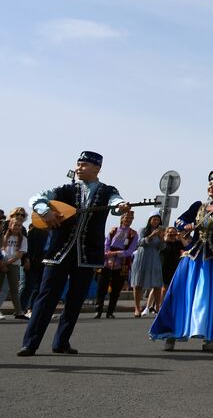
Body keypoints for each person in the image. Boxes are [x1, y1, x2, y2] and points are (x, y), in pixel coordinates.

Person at [18, 151, 132, 357]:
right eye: (78, 164)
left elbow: (116, 203)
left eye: (84, 165)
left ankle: (61, 342)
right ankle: (30, 343)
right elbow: (36, 197)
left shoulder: (108, 191)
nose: (79, 168)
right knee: (46, 298)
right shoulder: (65, 189)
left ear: (97, 168)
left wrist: (121, 207)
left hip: (87, 254)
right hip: (58, 253)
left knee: (75, 300)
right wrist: (45, 211)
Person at [149, 169, 213, 351]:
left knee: (208, 297)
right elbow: (179, 221)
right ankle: (171, 332)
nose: (212, 186)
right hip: (192, 254)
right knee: (180, 293)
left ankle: (209, 335)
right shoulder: (199, 206)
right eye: (210, 183)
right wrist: (185, 226)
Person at [93, 211, 139, 319]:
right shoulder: (113, 230)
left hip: (122, 263)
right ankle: (98, 310)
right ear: (122, 218)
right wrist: (108, 255)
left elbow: (131, 250)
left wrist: (117, 254)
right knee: (101, 287)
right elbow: (106, 244)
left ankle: (110, 311)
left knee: (116, 288)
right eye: (127, 218)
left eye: (131, 218)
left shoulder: (133, 234)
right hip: (107, 261)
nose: (128, 220)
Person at [129, 214, 166, 317]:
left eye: (158, 220)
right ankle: (137, 308)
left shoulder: (160, 233)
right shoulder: (143, 230)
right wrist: (151, 236)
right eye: (154, 219)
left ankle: (157, 308)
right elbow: (140, 243)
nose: (156, 221)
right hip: (142, 257)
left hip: (154, 257)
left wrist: (162, 238)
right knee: (138, 283)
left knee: (157, 283)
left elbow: (162, 247)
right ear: (150, 220)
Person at [0, 211, 26, 318]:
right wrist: (2, 263)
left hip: (13, 265)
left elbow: (20, 254)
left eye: (19, 225)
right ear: (10, 225)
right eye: (15, 225)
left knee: (14, 289)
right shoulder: (2, 237)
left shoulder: (23, 239)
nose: (17, 227)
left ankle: (19, 312)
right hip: (1, 264)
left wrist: (7, 262)